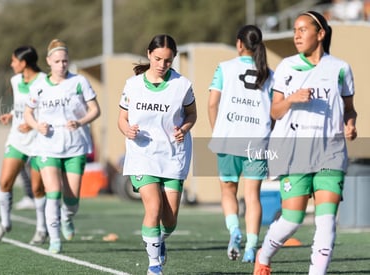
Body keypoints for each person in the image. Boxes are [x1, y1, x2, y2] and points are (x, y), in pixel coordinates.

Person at [253, 11, 357, 275]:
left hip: (330, 153)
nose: (296, 35)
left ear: (320, 34)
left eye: (302, 30)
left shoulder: (340, 68)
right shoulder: (287, 67)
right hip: (294, 153)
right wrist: (291, 99)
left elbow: (349, 108)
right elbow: (274, 112)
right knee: (292, 219)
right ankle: (263, 256)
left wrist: (351, 123)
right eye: (295, 30)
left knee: (326, 221)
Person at [118, 34, 197, 275]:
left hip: (173, 156)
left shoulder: (182, 85)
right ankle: (154, 265)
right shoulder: (133, 85)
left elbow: (192, 115)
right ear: (149, 54)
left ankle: (160, 241)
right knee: (152, 208)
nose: (162, 65)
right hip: (142, 155)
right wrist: (127, 130)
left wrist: (183, 129)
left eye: (168, 60)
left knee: (170, 220)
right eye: (158, 59)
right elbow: (122, 118)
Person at [24, 38, 101, 254]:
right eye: (57, 61)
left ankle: (67, 218)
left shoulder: (79, 82)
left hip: (75, 146)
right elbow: (28, 113)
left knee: (72, 199)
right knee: (53, 192)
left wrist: (80, 121)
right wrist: (37, 125)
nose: (61, 65)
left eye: (65, 61)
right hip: (47, 146)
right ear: (49, 61)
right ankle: (55, 238)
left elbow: (95, 110)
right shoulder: (38, 86)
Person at [207, 25, 273, 263]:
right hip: (257, 139)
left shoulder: (224, 68)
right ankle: (252, 246)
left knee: (228, 190)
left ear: (239, 44)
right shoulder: (270, 72)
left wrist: (219, 131)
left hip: (228, 137)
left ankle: (235, 230)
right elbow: (274, 111)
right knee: (252, 196)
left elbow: (212, 104)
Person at [0, 46, 48, 245]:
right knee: (5, 183)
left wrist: (32, 126)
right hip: (16, 139)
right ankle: (5, 223)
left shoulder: (45, 82)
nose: (11, 64)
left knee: (37, 188)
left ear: (24, 63)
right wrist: (11, 116)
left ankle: (42, 228)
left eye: (14, 60)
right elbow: (21, 107)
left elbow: (48, 112)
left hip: (39, 142)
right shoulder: (15, 80)